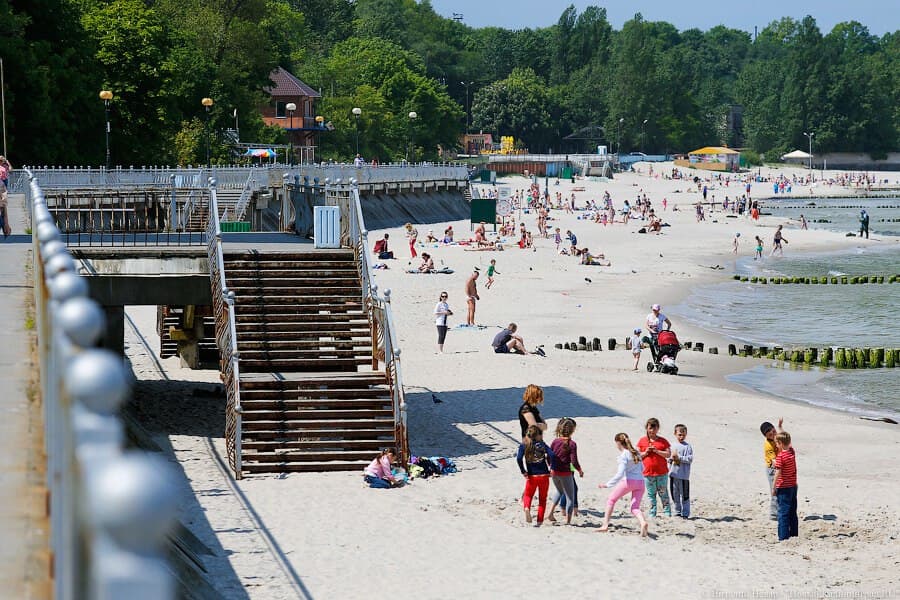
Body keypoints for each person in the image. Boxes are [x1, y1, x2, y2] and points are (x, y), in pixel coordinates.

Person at [597, 432, 649, 537]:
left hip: (629, 481)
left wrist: (607, 484)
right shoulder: (636, 453)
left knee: (611, 500)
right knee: (635, 507)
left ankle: (605, 525)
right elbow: (643, 468)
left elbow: (620, 473)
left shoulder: (624, 455)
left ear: (618, 443)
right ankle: (643, 522)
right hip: (641, 482)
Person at [516, 425, 556, 526]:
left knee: (528, 495)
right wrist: (552, 468)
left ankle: (526, 508)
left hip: (532, 476)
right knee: (542, 499)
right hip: (544, 475)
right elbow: (552, 455)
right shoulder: (542, 444)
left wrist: (523, 471)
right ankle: (539, 521)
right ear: (538, 435)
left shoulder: (524, 445)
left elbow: (519, 458)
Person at [547, 417, 583, 525]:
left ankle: (550, 513)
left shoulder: (555, 441)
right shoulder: (572, 444)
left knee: (559, 491)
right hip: (566, 473)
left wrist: (550, 467)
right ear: (572, 430)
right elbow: (574, 461)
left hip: (554, 472)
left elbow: (549, 456)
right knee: (570, 497)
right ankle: (568, 521)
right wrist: (580, 470)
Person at [637, 417, 672, 517]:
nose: (652, 430)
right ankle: (652, 512)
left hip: (662, 472)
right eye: (650, 428)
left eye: (654, 428)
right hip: (648, 473)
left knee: (663, 493)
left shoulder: (663, 441)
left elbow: (668, 454)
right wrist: (646, 452)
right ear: (647, 428)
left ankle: (667, 511)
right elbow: (637, 456)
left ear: (658, 428)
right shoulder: (642, 441)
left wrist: (657, 451)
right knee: (651, 494)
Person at [772, 430, 799, 540]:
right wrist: (780, 427)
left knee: (783, 513)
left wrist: (773, 487)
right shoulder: (791, 452)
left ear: (780, 443)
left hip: (783, 487)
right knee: (792, 511)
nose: (776, 445)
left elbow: (777, 473)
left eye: (776, 443)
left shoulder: (781, 457)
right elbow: (788, 442)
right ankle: (794, 534)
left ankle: (783, 537)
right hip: (793, 486)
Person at [668, 424, 694, 518]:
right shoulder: (672, 445)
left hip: (683, 476)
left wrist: (679, 458)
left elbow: (690, 459)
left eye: (683, 435)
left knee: (685, 495)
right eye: (679, 435)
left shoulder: (687, 446)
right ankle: (677, 511)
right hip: (673, 474)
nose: (681, 437)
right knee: (675, 494)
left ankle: (686, 513)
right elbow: (668, 458)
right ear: (675, 434)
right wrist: (671, 459)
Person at [761, 419, 784, 520]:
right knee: (775, 491)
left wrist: (780, 426)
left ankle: (780, 511)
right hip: (772, 469)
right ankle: (773, 514)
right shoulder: (768, 445)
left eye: (774, 431)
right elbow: (774, 461)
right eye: (770, 435)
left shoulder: (777, 436)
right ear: (766, 436)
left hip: (780, 467)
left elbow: (784, 436)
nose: (773, 435)